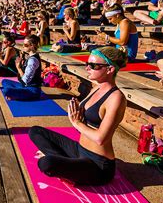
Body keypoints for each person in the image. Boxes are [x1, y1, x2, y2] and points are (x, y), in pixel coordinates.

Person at [29, 47, 127, 186]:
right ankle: (66, 164)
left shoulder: (116, 98)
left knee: (46, 163)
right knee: (35, 131)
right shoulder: (96, 87)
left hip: (97, 164)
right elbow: (83, 119)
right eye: (87, 64)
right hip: (79, 150)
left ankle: (63, 164)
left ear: (110, 69)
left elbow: (100, 138)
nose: (87, 68)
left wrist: (77, 123)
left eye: (93, 65)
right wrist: (77, 113)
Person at [2, 35, 42, 101]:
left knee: (6, 90)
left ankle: (14, 94)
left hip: (32, 90)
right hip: (25, 86)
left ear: (32, 46)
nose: (23, 46)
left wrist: (19, 68)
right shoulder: (30, 57)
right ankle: (15, 93)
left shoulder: (33, 60)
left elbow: (25, 81)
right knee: (4, 81)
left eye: (25, 45)